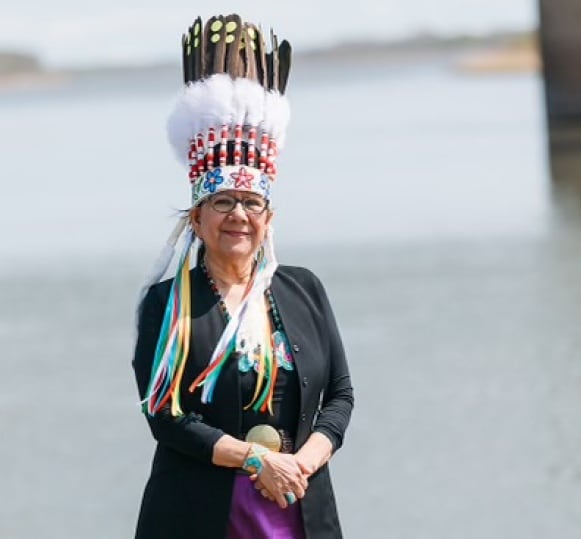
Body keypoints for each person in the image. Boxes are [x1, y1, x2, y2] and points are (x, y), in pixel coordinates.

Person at [132, 14, 354, 539]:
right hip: (202, 512)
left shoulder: (303, 289)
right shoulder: (168, 304)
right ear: (197, 219)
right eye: (223, 202)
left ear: (269, 217)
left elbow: (341, 395)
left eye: (252, 202)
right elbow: (166, 415)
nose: (239, 215)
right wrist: (258, 461)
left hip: (300, 500)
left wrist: (303, 461)